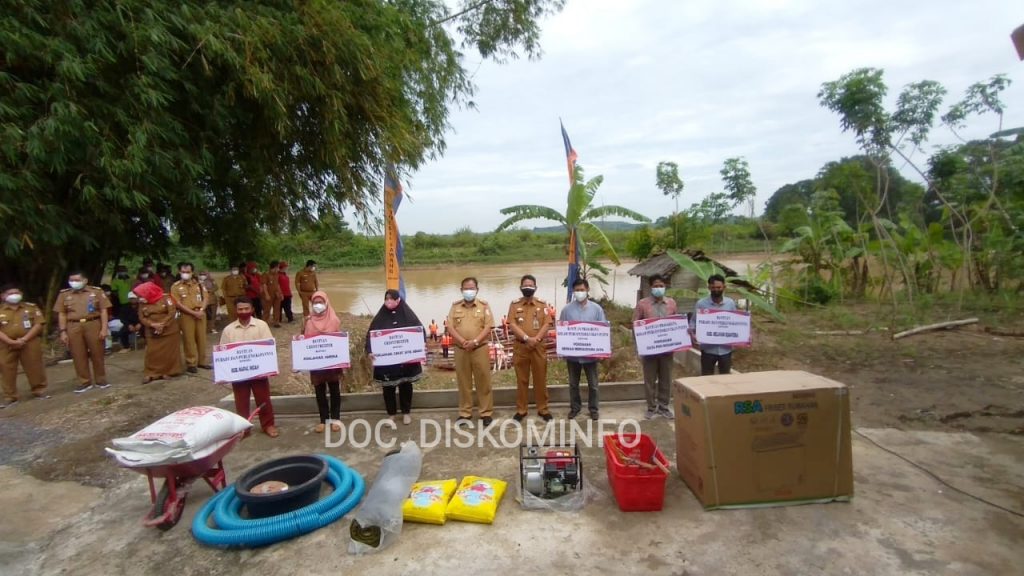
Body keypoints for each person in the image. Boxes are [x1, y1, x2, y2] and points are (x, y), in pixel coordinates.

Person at [219, 297, 278, 438]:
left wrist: (268, 367)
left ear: (252, 309)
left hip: (259, 371)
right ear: (236, 310)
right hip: (239, 373)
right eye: (240, 309)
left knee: (263, 399)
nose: (243, 311)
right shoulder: (228, 330)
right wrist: (223, 374)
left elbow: (269, 347)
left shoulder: (261, 325)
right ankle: (244, 428)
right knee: (241, 401)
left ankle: (268, 425)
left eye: (246, 309)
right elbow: (222, 353)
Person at [367, 289, 424, 425]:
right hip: (387, 363)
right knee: (388, 388)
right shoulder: (380, 317)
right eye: (386, 298)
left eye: (392, 298)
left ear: (399, 300)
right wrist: (370, 350)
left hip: (406, 362)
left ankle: (406, 413)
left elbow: (419, 331)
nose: (389, 301)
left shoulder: (408, 315)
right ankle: (391, 414)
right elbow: (370, 335)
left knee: (405, 386)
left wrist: (420, 347)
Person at [445, 277, 494, 426]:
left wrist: (475, 341)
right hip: (461, 350)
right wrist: (462, 341)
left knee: (483, 381)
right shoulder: (455, 307)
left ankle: (485, 412)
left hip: (479, 348)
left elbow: (488, 326)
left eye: (472, 288)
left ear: (477, 290)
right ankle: (465, 413)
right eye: (466, 288)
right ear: (461, 290)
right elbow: (450, 326)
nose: (469, 291)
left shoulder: (484, 306)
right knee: (463, 382)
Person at [53, 271, 111, 392]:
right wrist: (63, 331)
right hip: (73, 325)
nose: (74, 282)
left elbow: (103, 311)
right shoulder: (64, 294)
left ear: (85, 280)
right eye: (71, 280)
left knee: (97, 352)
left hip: (93, 323)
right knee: (78, 354)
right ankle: (84, 382)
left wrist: (104, 328)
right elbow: (62, 314)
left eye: (76, 280)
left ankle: (101, 379)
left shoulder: (96, 292)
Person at [507, 274, 552, 422]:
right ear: (520, 287)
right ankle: (522, 409)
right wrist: (527, 338)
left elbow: (547, 323)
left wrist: (537, 339)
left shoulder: (542, 304)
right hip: (521, 347)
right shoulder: (514, 305)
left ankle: (543, 409)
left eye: (530, 285)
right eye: (525, 285)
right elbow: (512, 324)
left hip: (538, 347)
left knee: (540, 378)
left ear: (535, 287)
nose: (528, 287)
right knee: (522, 379)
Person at [559, 278, 606, 420]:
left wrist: (602, 351)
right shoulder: (567, 310)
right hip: (573, 356)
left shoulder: (597, 309)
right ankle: (575, 408)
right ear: (573, 291)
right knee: (573, 384)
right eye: (577, 290)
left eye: (582, 290)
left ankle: (593, 409)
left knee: (593, 385)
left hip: (591, 355)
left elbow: (602, 330)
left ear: (587, 290)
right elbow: (562, 329)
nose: (580, 292)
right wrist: (562, 349)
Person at [633, 274, 678, 420]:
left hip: (667, 349)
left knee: (666, 378)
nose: (658, 288)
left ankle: (664, 407)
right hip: (649, 350)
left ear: (665, 287)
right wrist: (639, 346)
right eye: (655, 286)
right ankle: (651, 407)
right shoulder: (642, 304)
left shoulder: (671, 303)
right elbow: (635, 325)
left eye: (661, 286)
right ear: (650, 287)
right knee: (649, 380)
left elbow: (676, 323)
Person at [0, 283, 49, 407]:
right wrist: (10, 341)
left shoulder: (31, 308)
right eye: (10, 293)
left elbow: (38, 324)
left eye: (17, 293)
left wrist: (24, 339)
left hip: (29, 341)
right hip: (6, 344)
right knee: (7, 369)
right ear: (3, 296)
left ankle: (39, 389)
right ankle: (10, 396)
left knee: (34, 365)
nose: (14, 295)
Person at [303, 291, 343, 433]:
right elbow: (304, 343)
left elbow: (340, 342)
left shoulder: (334, 320)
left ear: (326, 303)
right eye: (315, 303)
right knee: (319, 391)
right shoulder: (308, 322)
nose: (318, 305)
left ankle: (336, 419)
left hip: (332, 363)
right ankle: (323, 420)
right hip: (316, 363)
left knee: (334, 390)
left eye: (320, 302)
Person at [134, 281, 183, 383]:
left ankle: (167, 372)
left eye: (141, 295)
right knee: (152, 352)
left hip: (169, 329)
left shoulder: (166, 298)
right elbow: (141, 317)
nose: (140, 298)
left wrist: (162, 324)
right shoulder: (142, 303)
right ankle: (151, 373)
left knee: (168, 352)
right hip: (151, 331)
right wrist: (153, 325)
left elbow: (172, 312)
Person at [690, 274, 737, 375]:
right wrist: (692, 333)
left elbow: (735, 322)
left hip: (726, 349)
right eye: (713, 287)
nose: (716, 290)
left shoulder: (730, 303)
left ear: (724, 287)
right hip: (708, 349)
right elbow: (693, 322)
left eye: (719, 287)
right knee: (707, 378)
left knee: (725, 378)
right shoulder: (701, 304)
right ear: (709, 288)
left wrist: (745, 334)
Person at [171, 262, 210, 374]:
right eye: (183, 272)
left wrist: (201, 310)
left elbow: (206, 298)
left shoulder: (199, 285)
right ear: (179, 272)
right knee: (189, 339)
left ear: (192, 272)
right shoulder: (176, 286)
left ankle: (202, 361)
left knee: (202, 338)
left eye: (188, 272)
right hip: (186, 315)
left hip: (200, 314)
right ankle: (191, 363)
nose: (185, 274)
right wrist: (192, 313)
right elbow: (177, 303)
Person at [261, 260, 282, 327]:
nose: (278, 269)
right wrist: (266, 294)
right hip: (269, 294)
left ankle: (276, 322)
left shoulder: (277, 275)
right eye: (277, 267)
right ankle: (264, 322)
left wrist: (280, 293)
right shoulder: (265, 274)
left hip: (276, 294)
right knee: (267, 309)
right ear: (274, 267)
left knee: (277, 309)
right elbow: (264, 285)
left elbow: (278, 284)